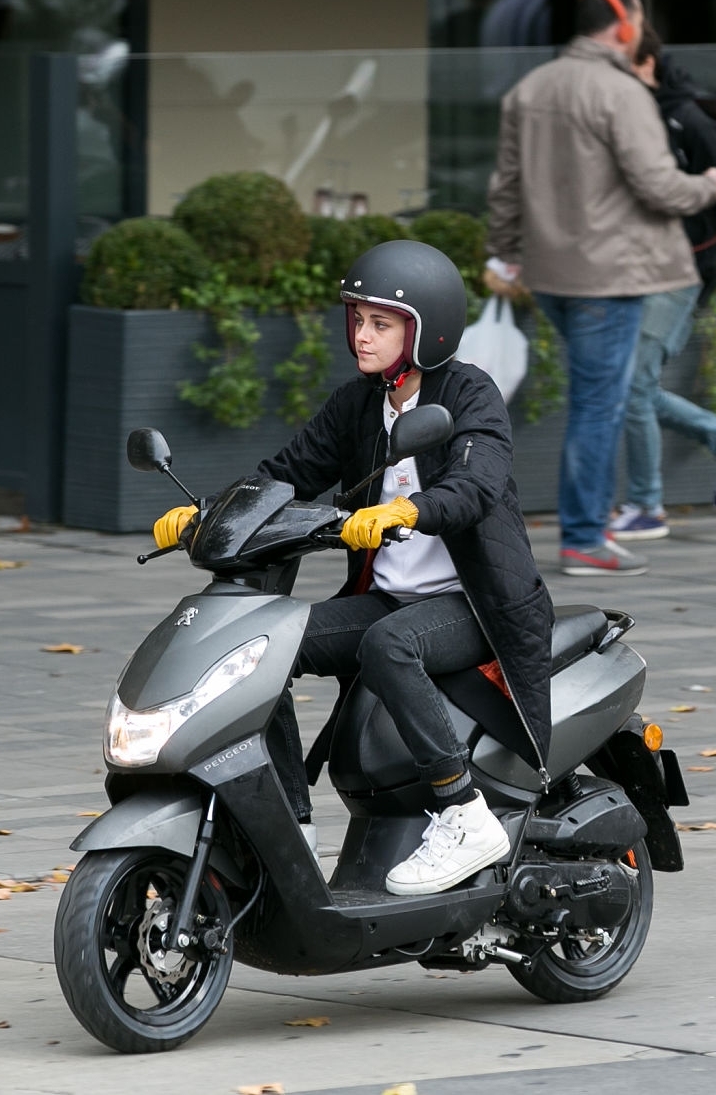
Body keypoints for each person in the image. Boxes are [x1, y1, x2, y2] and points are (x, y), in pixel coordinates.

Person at [153, 241, 554, 896]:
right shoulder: (360, 404)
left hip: (477, 605)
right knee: (262, 645)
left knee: (387, 644)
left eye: (381, 323)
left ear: (425, 331)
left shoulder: (469, 395)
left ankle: (464, 814)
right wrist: (205, 515)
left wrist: (408, 510)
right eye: (358, 320)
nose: (362, 336)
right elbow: (283, 475)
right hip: (392, 598)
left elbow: (476, 486)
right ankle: (291, 827)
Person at [484, 0, 716, 577]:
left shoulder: (530, 88)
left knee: (596, 397)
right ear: (625, 26)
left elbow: (505, 186)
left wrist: (504, 252)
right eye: (639, 21)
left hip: (551, 274)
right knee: (598, 405)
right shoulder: (622, 92)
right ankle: (583, 539)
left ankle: (587, 533)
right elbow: (659, 186)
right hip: (610, 276)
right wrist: (710, 186)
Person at [609, 25, 716, 541]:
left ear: (648, 64)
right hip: (642, 269)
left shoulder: (691, 120)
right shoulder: (633, 116)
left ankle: (647, 505)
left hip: (685, 272)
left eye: (623, 66)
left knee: (633, 384)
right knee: (631, 386)